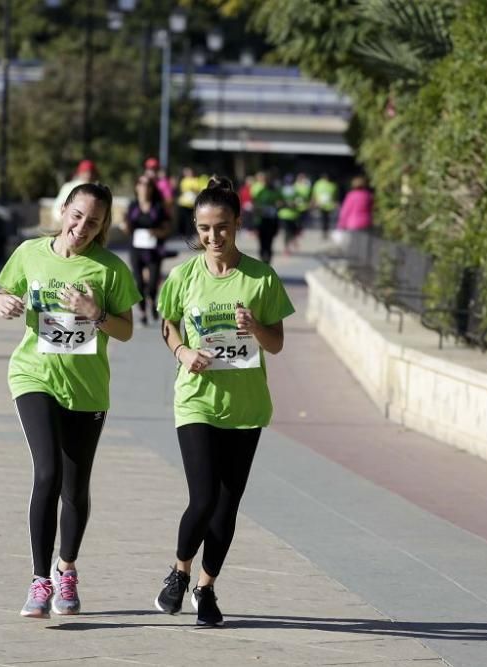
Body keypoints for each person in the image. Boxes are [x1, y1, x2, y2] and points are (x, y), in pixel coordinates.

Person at [0, 182, 141, 620]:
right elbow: (3, 291)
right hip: (33, 375)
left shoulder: (110, 269)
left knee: (75, 488)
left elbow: (127, 330)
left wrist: (95, 313)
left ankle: (66, 568)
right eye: (76, 216)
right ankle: (40, 581)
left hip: (87, 388)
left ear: (103, 225)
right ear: (63, 211)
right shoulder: (31, 253)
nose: (82, 227)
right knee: (48, 473)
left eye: (93, 222)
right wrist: (0, 300)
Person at [153, 177, 296, 627]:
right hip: (196, 399)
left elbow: (276, 343)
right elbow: (168, 324)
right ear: (196, 228)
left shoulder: (261, 277)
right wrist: (182, 352)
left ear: (237, 224)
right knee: (202, 498)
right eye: (205, 229)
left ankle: (207, 587)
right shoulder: (183, 275)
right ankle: (179, 572)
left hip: (246, 407)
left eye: (222, 228)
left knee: (227, 506)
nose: (213, 238)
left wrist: (255, 327)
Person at [125, 175, 170, 326]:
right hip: (136, 248)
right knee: (138, 283)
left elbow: (167, 228)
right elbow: (127, 225)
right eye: (141, 184)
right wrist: (125, 227)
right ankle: (143, 313)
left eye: (147, 185)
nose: (144, 187)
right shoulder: (133, 206)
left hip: (154, 250)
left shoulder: (158, 206)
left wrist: (156, 232)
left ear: (152, 188)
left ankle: (152, 300)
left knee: (151, 284)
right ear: (137, 187)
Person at [249, 171, 281, 265]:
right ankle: (263, 260)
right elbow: (254, 203)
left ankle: (268, 262)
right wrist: (258, 209)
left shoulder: (274, 190)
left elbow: (279, 202)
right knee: (262, 242)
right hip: (261, 220)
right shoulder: (258, 190)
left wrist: (276, 205)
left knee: (269, 242)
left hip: (272, 220)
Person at [52, 159, 97, 225]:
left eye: (91, 172)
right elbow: (57, 209)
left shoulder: (98, 190)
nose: (88, 175)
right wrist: (65, 221)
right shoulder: (68, 187)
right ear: (80, 173)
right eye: (85, 172)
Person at [311, 173, 339, 239]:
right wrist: (314, 202)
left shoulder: (332, 185)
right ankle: (324, 231)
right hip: (321, 205)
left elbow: (335, 195)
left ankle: (325, 231)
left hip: (329, 205)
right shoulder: (319, 184)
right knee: (324, 219)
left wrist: (335, 202)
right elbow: (314, 193)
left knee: (327, 219)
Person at [176, 167, 200, 237]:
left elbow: (197, 188)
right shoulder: (184, 180)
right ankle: (183, 233)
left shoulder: (196, 180)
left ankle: (190, 233)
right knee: (184, 219)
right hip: (184, 203)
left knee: (192, 219)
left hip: (192, 203)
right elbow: (183, 188)